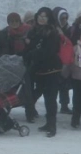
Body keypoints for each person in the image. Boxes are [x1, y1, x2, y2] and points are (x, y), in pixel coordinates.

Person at [22, 7, 61, 137]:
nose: (42, 18)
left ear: (49, 18)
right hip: (39, 70)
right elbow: (31, 47)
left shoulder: (52, 32)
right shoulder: (33, 31)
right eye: (40, 16)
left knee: (50, 98)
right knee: (41, 95)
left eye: (45, 16)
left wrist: (32, 52)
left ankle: (52, 124)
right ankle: (46, 122)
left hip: (51, 70)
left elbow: (49, 51)